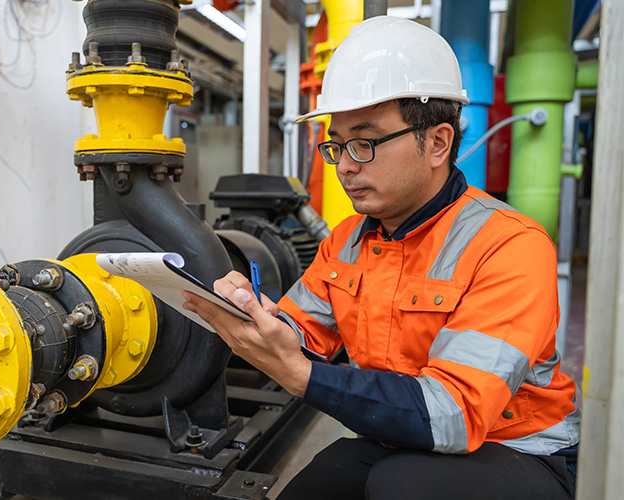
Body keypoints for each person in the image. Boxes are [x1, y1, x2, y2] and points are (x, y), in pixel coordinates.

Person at [182, 16, 580, 500]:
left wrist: (302, 376)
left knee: (401, 486)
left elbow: (455, 414)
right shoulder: (349, 238)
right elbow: (302, 331)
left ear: (437, 143)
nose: (345, 165)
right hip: (400, 435)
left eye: (365, 143)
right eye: (338, 144)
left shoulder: (509, 244)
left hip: (515, 449)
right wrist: (257, 317)